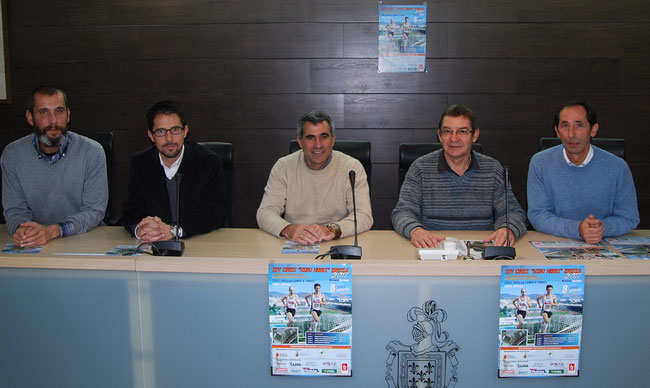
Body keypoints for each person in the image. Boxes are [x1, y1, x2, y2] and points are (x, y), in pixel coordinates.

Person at [392, 104, 527, 248]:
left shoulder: (493, 170)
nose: (454, 138)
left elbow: (512, 212)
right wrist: (415, 230)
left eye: (462, 131)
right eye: (447, 131)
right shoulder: (420, 168)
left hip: (481, 251)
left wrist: (507, 228)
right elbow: (402, 212)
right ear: (440, 136)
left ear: (475, 135)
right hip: (434, 249)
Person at [1, 86, 107, 248]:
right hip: (35, 243)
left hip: (84, 240)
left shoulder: (92, 151)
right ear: (30, 117)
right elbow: (14, 209)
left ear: (68, 115)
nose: (53, 121)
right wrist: (23, 230)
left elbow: (94, 211)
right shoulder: (13, 154)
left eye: (59, 111)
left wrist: (53, 231)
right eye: (44, 112)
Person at [527, 101, 639, 243]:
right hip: (556, 242)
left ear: (593, 129)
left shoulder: (618, 167)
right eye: (565, 126)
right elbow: (537, 215)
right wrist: (578, 229)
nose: (571, 134)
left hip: (603, 243)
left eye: (579, 125)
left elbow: (629, 218)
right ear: (557, 131)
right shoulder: (540, 163)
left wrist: (600, 228)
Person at [256, 110, 373, 245]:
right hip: (295, 242)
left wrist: (331, 230)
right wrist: (289, 229)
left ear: (333, 139)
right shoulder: (284, 166)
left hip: (337, 242)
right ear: (300, 141)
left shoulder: (352, 167)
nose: (318, 145)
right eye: (310, 137)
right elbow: (265, 212)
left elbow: (364, 216)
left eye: (324, 136)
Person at [122, 100, 226, 242]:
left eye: (175, 130)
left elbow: (214, 213)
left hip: (198, 241)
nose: (169, 138)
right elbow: (131, 210)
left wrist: (174, 231)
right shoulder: (140, 163)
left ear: (186, 131)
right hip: (153, 244)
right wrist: (140, 229)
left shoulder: (207, 162)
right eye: (161, 131)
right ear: (151, 136)